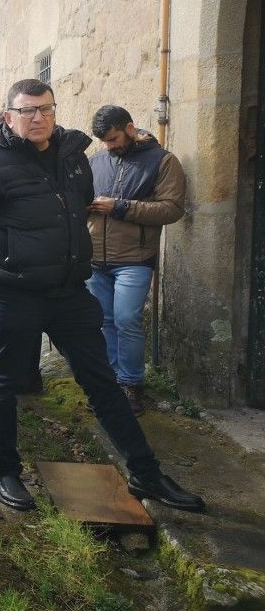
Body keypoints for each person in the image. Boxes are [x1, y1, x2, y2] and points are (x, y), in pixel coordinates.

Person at [0, 79, 203, 513]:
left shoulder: (74, 158)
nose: (38, 117)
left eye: (45, 109)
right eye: (27, 111)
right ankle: (3, 469)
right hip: (14, 294)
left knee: (102, 380)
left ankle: (145, 472)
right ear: (9, 116)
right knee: (5, 384)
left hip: (69, 293)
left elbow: (79, 209)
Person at [86, 105, 186, 415]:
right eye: (104, 141)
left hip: (134, 258)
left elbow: (172, 209)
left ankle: (131, 385)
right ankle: (110, 384)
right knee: (102, 321)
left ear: (130, 129)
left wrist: (120, 206)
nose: (109, 146)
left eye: (113, 139)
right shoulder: (96, 161)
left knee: (127, 319)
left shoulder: (164, 161)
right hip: (94, 259)